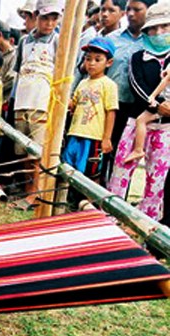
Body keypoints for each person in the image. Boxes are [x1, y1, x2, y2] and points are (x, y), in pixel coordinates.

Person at [108, 1, 170, 222]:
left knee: (157, 179)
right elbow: (136, 85)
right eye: (153, 28)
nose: (158, 33)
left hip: (165, 128)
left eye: (164, 27)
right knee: (122, 170)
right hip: (137, 121)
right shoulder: (138, 57)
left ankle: (147, 227)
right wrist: (158, 104)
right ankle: (112, 218)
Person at [12, 0, 61, 205]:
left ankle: (35, 193)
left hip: (42, 102)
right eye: (45, 18)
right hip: (22, 100)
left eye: (53, 18)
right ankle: (26, 190)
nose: (49, 23)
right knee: (22, 149)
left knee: (37, 153)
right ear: (36, 17)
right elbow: (18, 71)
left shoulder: (58, 41)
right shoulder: (25, 41)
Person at [102, 0, 154, 185]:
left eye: (137, 10)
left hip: (138, 109)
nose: (131, 14)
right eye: (128, 9)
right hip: (110, 106)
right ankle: (96, 195)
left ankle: (117, 197)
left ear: (149, 11)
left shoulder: (154, 44)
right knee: (104, 151)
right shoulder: (112, 39)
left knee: (127, 157)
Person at [63, 37, 118, 181]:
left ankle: (88, 202)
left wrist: (106, 138)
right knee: (69, 166)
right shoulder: (81, 83)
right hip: (75, 132)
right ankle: (67, 198)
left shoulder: (109, 85)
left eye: (97, 59)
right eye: (88, 59)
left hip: (94, 136)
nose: (91, 63)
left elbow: (111, 112)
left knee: (90, 171)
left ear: (109, 62)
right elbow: (73, 105)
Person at [125, 64, 170, 163]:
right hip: (166, 104)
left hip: (166, 103)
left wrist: (153, 96)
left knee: (140, 120)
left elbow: (165, 80)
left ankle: (138, 150)